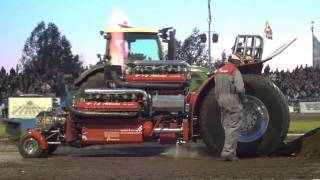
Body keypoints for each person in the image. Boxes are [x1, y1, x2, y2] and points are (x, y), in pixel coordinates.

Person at [214, 54, 246, 161]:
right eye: (239, 62)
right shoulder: (235, 71)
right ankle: (228, 153)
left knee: (227, 126)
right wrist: (244, 99)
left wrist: (218, 99)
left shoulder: (218, 71)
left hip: (220, 99)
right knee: (234, 126)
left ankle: (227, 150)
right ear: (235, 62)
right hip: (232, 99)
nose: (239, 64)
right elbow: (240, 88)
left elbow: (216, 90)